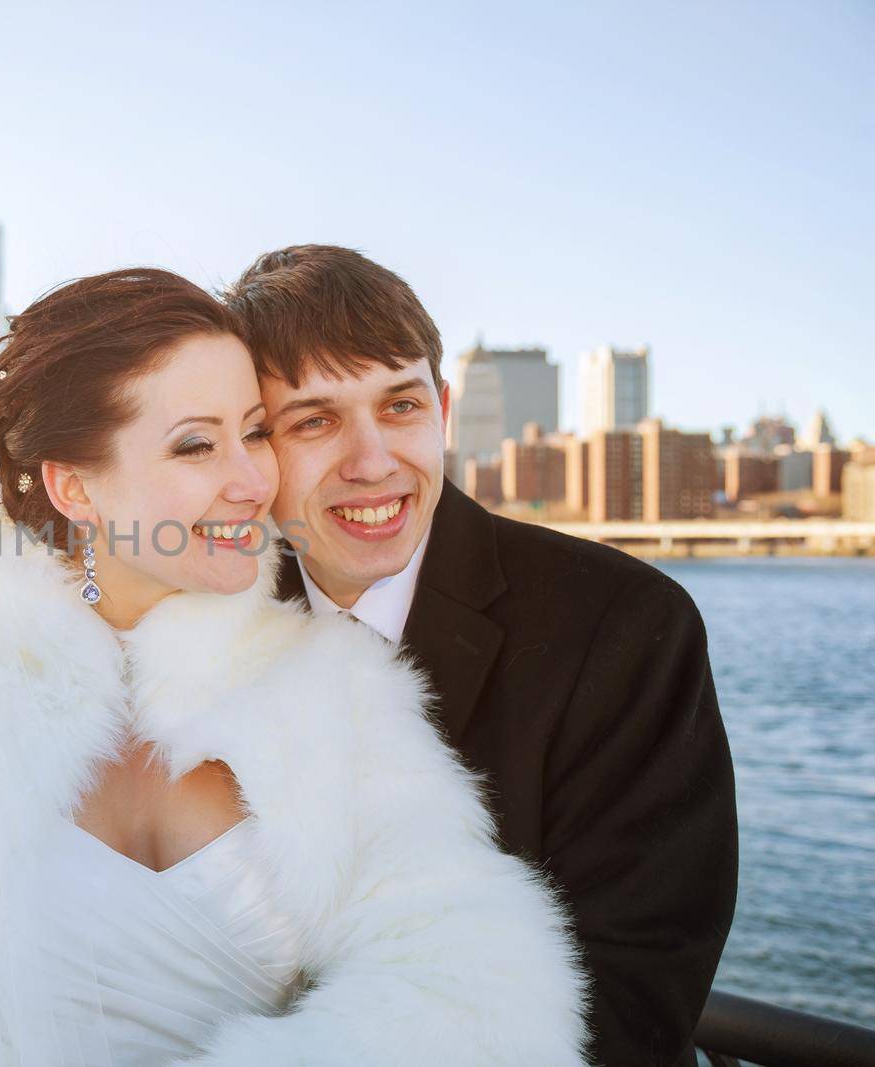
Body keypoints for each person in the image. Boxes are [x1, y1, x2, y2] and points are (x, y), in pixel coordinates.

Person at [0, 268, 588, 1066]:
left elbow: (473, 990)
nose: (252, 480)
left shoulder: (336, 693)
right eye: (196, 445)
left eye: (255, 431)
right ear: (74, 490)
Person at [224, 244, 739, 1067]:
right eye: (314, 420)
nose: (372, 461)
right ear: (252, 444)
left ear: (445, 409)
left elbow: (631, 998)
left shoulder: (627, 625)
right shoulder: (204, 619)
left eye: (400, 406)